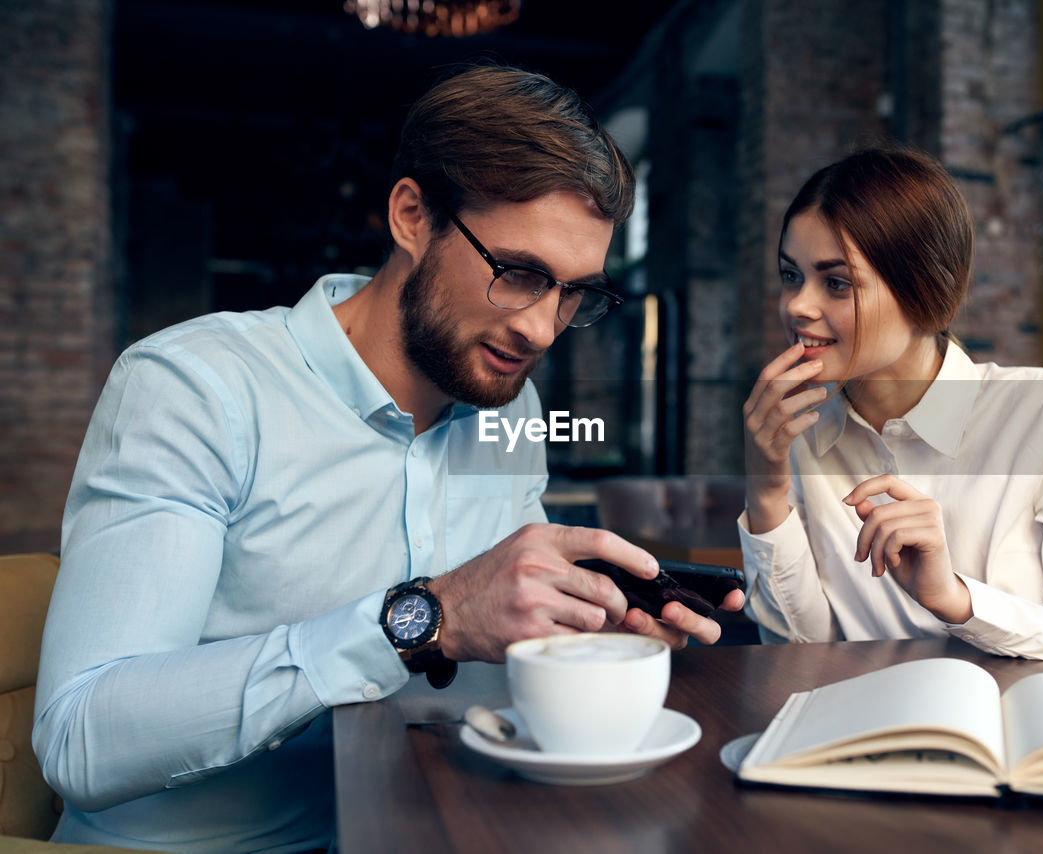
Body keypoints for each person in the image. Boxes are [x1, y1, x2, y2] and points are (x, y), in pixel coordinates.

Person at [34, 65, 743, 853]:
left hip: (436, 829)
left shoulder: (516, 410)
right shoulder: (195, 389)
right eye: (519, 274)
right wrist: (422, 620)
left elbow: (501, 634)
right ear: (412, 216)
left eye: (574, 293)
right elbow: (80, 738)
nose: (542, 329)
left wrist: (591, 633)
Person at [739, 148, 1043, 694]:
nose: (797, 305)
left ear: (925, 291)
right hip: (862, 743)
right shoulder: (799, 436)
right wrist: (768, 491)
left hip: (1023, 751)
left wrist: (961, 601)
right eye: (791, 276)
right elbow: (801, 653)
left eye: (837, 283)